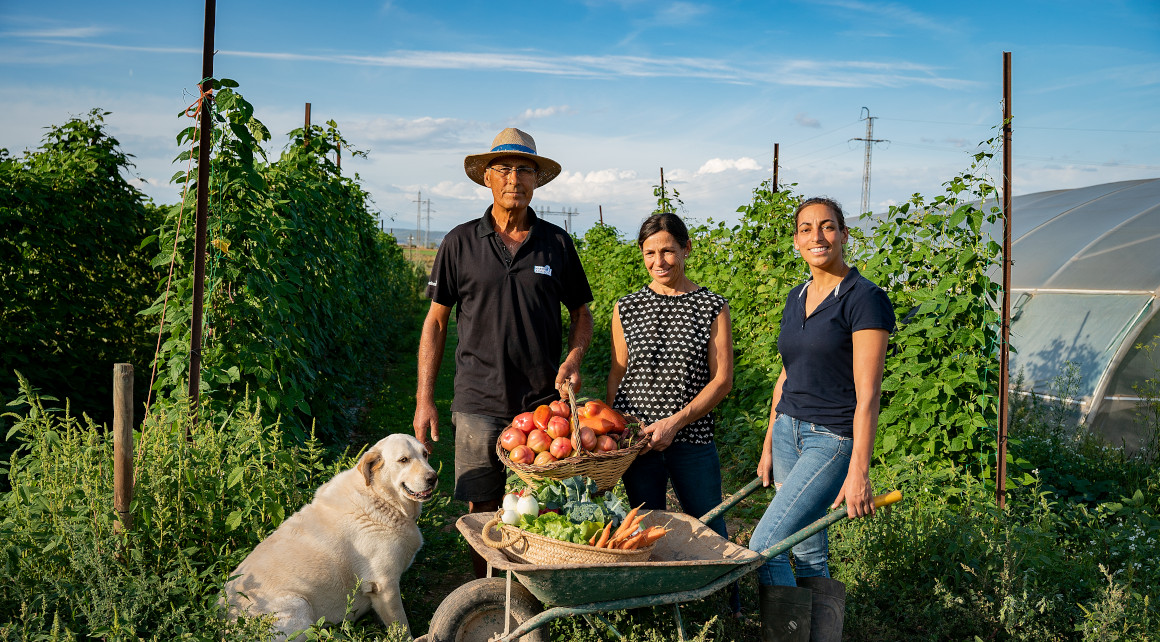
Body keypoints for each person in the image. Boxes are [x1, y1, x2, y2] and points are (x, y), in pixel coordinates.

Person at [413, 127, 594, 578]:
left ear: (536, 181)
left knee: (544, 503)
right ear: (488, 178)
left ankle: (535, 584)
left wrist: (573, 358)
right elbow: (435, 322)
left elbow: (581, 313)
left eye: (525, 170)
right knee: (483, 506)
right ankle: (490, 593)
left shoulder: (556, 243)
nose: (515, 179)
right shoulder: (459, 242)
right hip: (478, 398)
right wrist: (424, 398)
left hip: (542, 404)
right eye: (505, 169)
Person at [748, 197, 895, 642]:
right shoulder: (797, 296)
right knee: (808, 552)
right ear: (796, 240)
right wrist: (769, 441)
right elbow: (787, 374)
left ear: (844, 234)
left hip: (829, 440)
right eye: (806, 228)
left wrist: (859, 473)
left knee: (765, 546)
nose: (817, 236)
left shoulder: (865, 299)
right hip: (788, 432)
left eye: (828, 226)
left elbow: (868, 397)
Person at [607, 212, 739, 613]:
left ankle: (724, 607)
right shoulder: (627, 307)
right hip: (639, 444)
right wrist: (622, 431)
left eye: (667, 250)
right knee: (644, 528)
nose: (659, 261)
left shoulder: (711, 306)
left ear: (686, 249)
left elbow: (722, 380)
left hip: (692, 439)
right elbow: (618, 373)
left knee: (709, 523)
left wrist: (675, 423)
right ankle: (653, 608)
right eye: (650, 253)